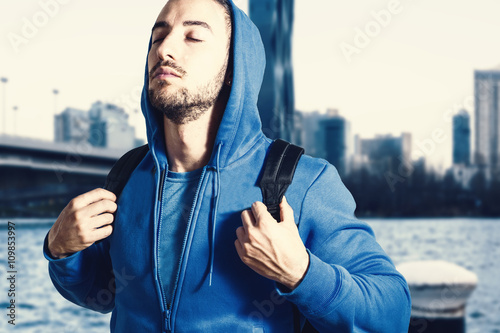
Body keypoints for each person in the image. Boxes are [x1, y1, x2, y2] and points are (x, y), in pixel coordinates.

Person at [44, 0, 411, 331]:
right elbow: (102, 297)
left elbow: (392, 314)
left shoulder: (300, 181)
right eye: (158, 37)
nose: (165, 49)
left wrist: (300, 273)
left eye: (193, 37)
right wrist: (62, 252)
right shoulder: (126, 177)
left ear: (235, 67)